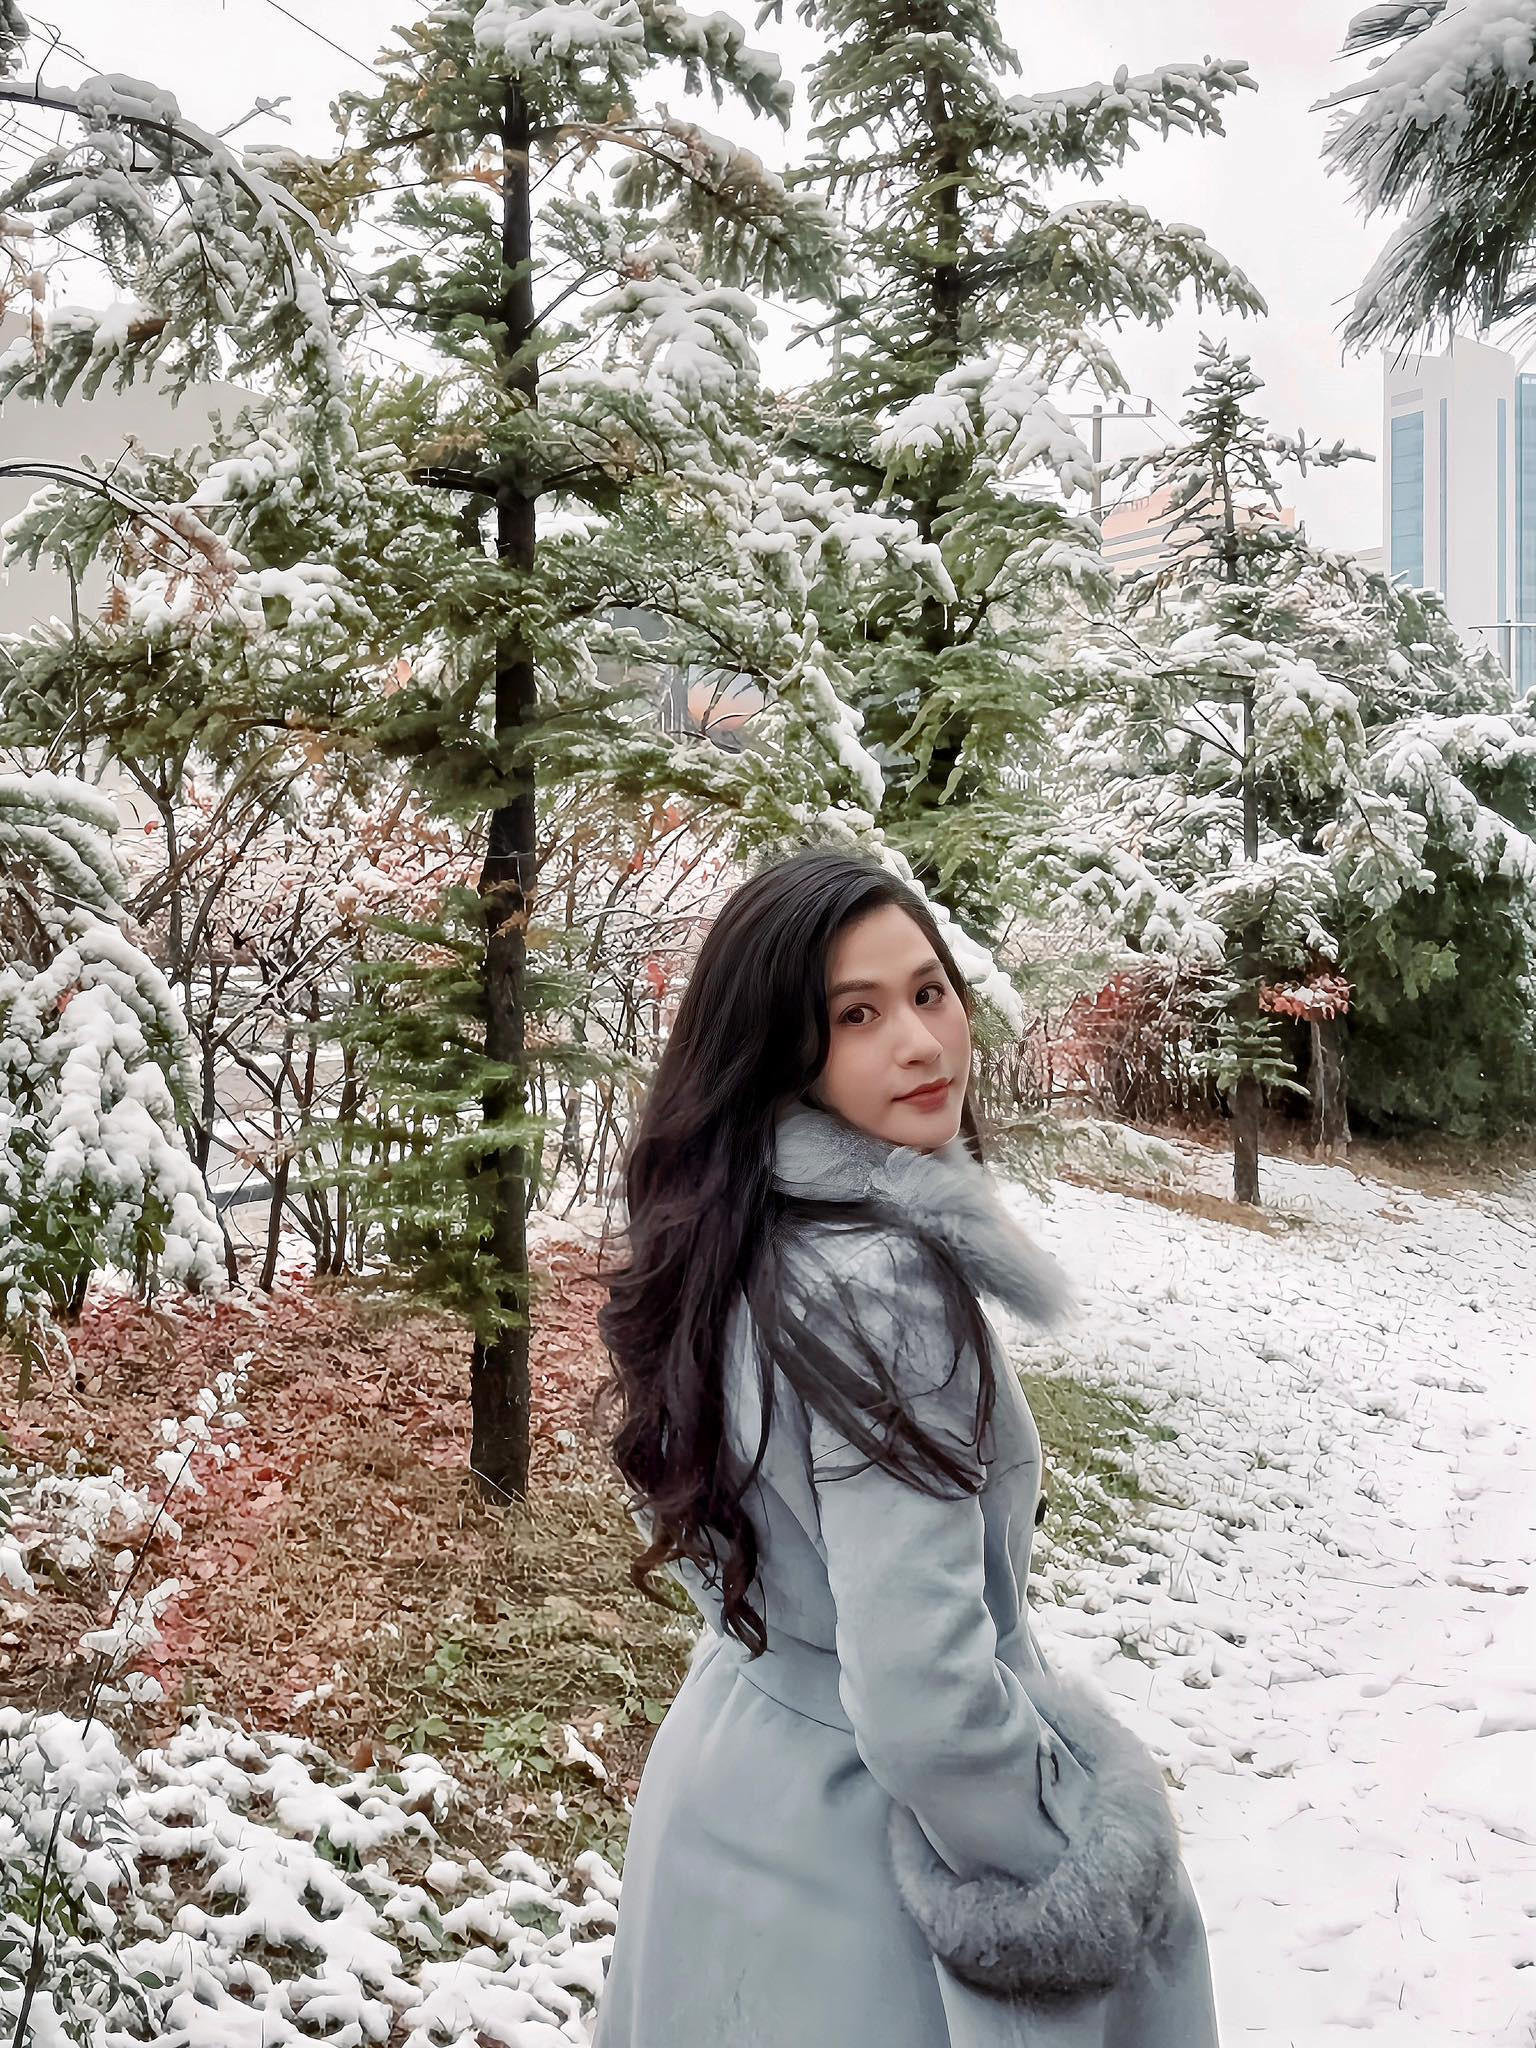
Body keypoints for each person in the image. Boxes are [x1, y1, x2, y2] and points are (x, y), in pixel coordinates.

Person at [591, 848, 1220, 2048]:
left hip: (729, 1780)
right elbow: (924, 1696)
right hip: (859, 1864)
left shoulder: (735, 1230)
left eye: (930, 992)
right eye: (857, 1015)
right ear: (782, 1049)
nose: (922, 1043)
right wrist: (1071, 1849)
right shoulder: (883, 1284)